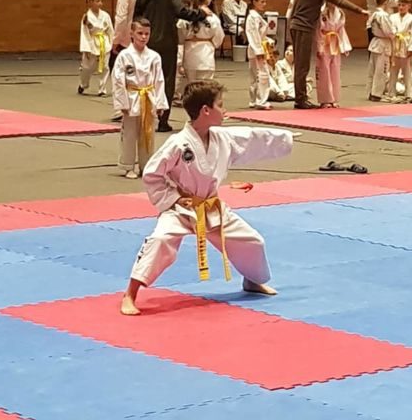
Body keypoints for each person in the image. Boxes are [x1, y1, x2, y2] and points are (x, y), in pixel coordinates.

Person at [120, 80, 295, 315]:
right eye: (220, 105)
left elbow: (251, 138)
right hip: (181, 209)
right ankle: (130, 295)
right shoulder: (178, 143)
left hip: (211, 207)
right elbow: (152, 174)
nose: (225, 110)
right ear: (205, 110)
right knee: (160, 240)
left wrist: (285, 138)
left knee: (252, 241)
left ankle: (252, 280)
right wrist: (173, 198)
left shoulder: (222, 138)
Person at [134, 0, 208, 133]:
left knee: (144, 78)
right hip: (167, 40)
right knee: (166, 80)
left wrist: (138, 35)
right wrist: (200, 14)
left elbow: (137, 15)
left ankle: (143, 115)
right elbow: (180, 11)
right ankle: (163, 120)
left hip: (147, 39)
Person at [289, 0, 368, 109]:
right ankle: (300, 99)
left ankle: (302, 98)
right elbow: (337, 0)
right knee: (302, 65)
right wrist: (359, 10)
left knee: (303, 65)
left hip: (301, 25)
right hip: (302, 25)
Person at [112, 18, 168, 180]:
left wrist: (160, 103)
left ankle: (147, 165)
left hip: (148, 97)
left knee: (148, 133)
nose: (143, 37)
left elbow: (159, 80)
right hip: (131, 97)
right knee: (129, 134)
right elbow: (118, 80)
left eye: (146, 34)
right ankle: (128, 166)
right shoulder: (124, 55)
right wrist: (122, 103)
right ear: (131, 34)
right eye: (140, 33)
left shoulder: (154, 56)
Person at [177, 0, 225, 88]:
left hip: (189, 57)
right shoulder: (212, 18)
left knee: (191, 88)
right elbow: (219, 37)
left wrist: (179, 61)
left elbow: (179, 39)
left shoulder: (184, 18)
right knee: (206, 88)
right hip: (206, 56)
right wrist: (212, 43)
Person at [316, 0, 352, 108]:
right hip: (324, 41)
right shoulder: (321, 12)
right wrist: (319, 47)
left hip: (335, 42)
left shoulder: (340, 13)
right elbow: (318, 31)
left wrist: (344, 47)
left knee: (335, 70)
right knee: (324, 71)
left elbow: (341, 31)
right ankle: (325, 99)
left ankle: (334, 99)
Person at [111, 0, 146, 72]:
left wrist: (116, 40)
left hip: (128, 40)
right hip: (147, 37)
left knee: (124, 74)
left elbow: (121, 17)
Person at [78, 0, 114, 97]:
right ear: (91, 2)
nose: (100, 3)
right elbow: (84, 33)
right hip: (91, 42)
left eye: (101, 1)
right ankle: (83, 84)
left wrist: (113, 43)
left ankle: (102, 89)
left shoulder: (105, 15)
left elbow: (110, 31)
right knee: (87, 68)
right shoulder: (86, 17)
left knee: (105, 67)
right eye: (97, 1)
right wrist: (86, 49)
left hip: (104, 42)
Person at [245, 0, 274, 110]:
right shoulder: (253, 17)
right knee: (262, 75)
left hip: (256, 47)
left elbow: (259, 35)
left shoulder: (255, 16)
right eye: (262, 2)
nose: (264, 4)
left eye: (265, 1)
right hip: (256, 49)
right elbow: (253, 35)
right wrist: (259, 51)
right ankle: (261, 101)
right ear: (254, 2)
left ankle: (254, 100)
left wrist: (268, 41)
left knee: (255, 75)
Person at [389, 0, 412, 103]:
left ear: (409, 6)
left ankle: (408, 94)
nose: (401, 7)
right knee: (393, 70)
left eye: (403, 5)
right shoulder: (392, 17)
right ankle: (391, 93)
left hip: (406, 45)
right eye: (399, 5)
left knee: (407, 71)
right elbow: (390, 30)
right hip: (395, 44)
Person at [367, 0, 395, 102]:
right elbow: (389, 31)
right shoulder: (383, 15)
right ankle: (377, 94)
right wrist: (395, 34)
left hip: (375, 42)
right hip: (383, 44)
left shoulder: (374, 14)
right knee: (381, 71)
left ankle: (371, 92)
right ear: (385, 2)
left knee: (373, 70)